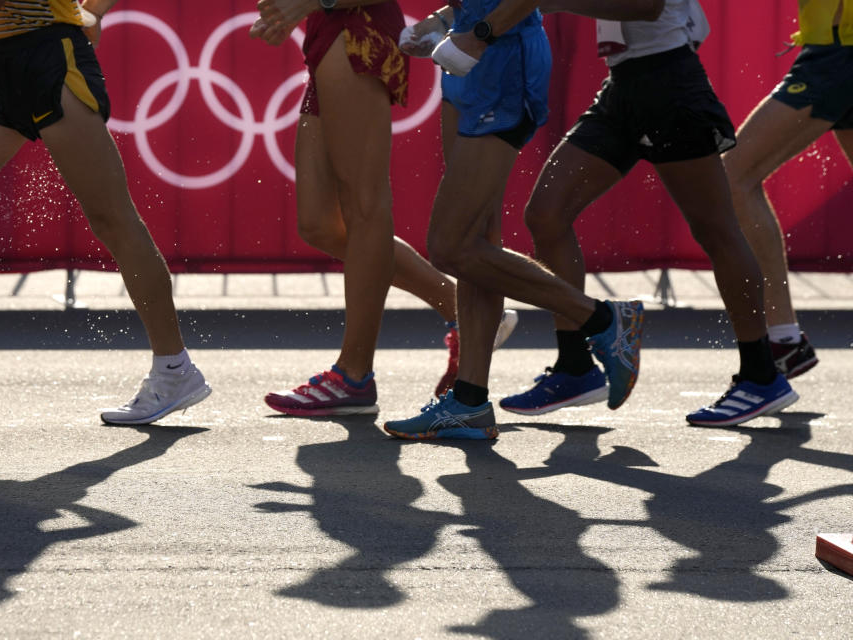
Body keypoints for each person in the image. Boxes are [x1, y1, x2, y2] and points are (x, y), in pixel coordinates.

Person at [459, 0, 797, 426]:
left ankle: (762, 375)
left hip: (669, 83)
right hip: (623, 87)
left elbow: (645, 6)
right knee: (545, 214)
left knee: (717, 231)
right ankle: (575, 367)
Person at [0, 0, 210, 425]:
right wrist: (88, 11)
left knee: (113, 219)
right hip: (13, 68)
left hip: (54, 64)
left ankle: (174, 370)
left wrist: (85, 14)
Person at [382, 1, 645, 441]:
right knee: (476, 243)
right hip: (471, 54)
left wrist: (478, 33)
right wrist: (446, 20)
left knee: (451, 245)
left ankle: (601, 320)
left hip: (498, 58)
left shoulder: (487, 40)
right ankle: (469, 402)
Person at [251, 0, 519, 417]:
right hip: (330, 31)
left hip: (358, 31)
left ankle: (354, 374)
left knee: (365, 207)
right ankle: (462, 311)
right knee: (319, 224)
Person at [723, 0, 853, 380]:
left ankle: (782, 339)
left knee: (734, 177)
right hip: (832, 46)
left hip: (839, 54)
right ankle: (784, 340)